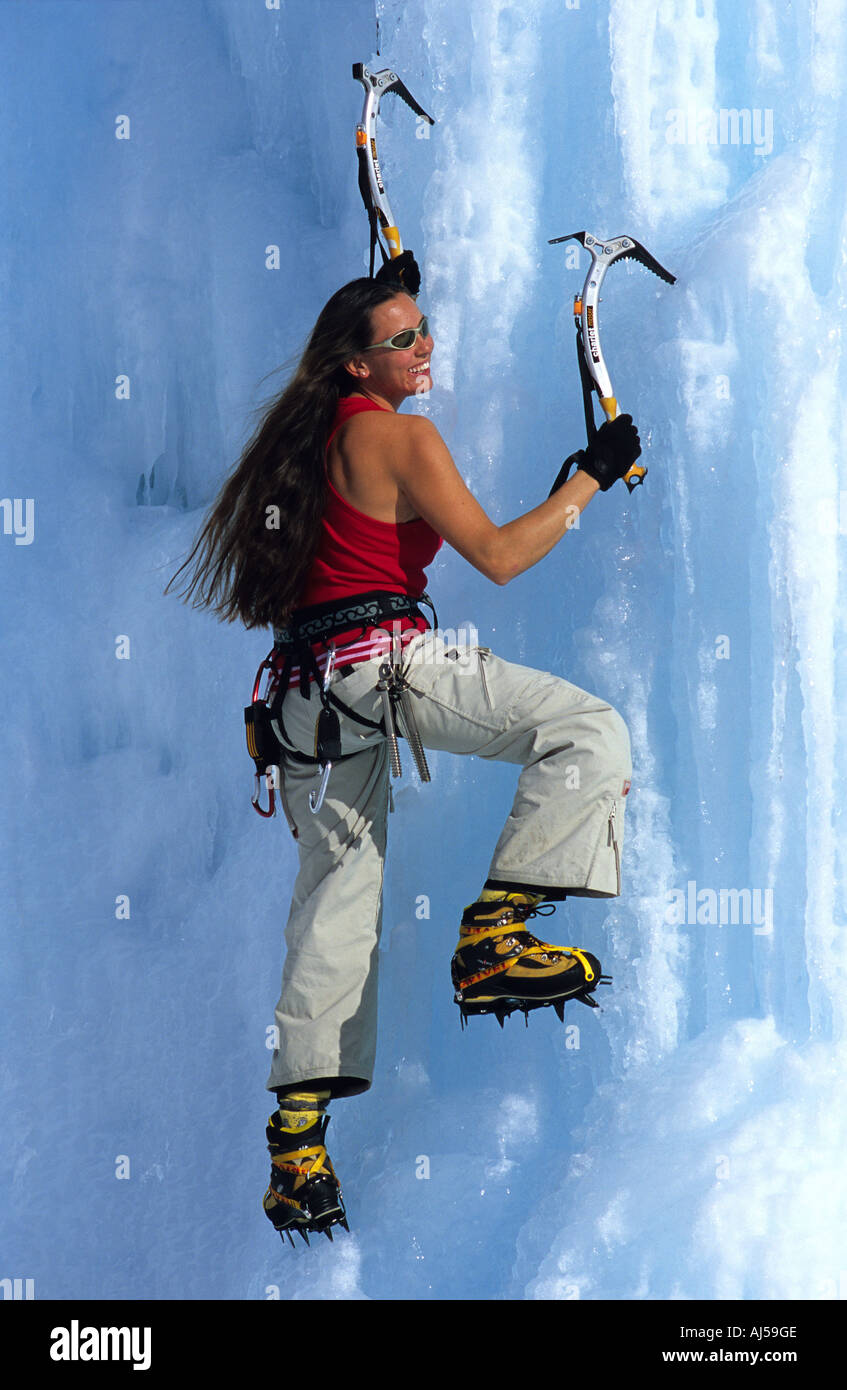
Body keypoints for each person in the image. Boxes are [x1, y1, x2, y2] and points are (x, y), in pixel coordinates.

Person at [167, 256, 639, 1244]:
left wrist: (390, 288)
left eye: (424, 330)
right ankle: (497, 934)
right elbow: (502, 556)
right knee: (586, 729)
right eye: (406, 338)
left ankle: (297, 1150)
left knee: (335, 904)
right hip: (386, 666)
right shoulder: (398, 437)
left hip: (299, 700)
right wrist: (590, 479)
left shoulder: (307, 449)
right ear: (355, 363)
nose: (428, 348)